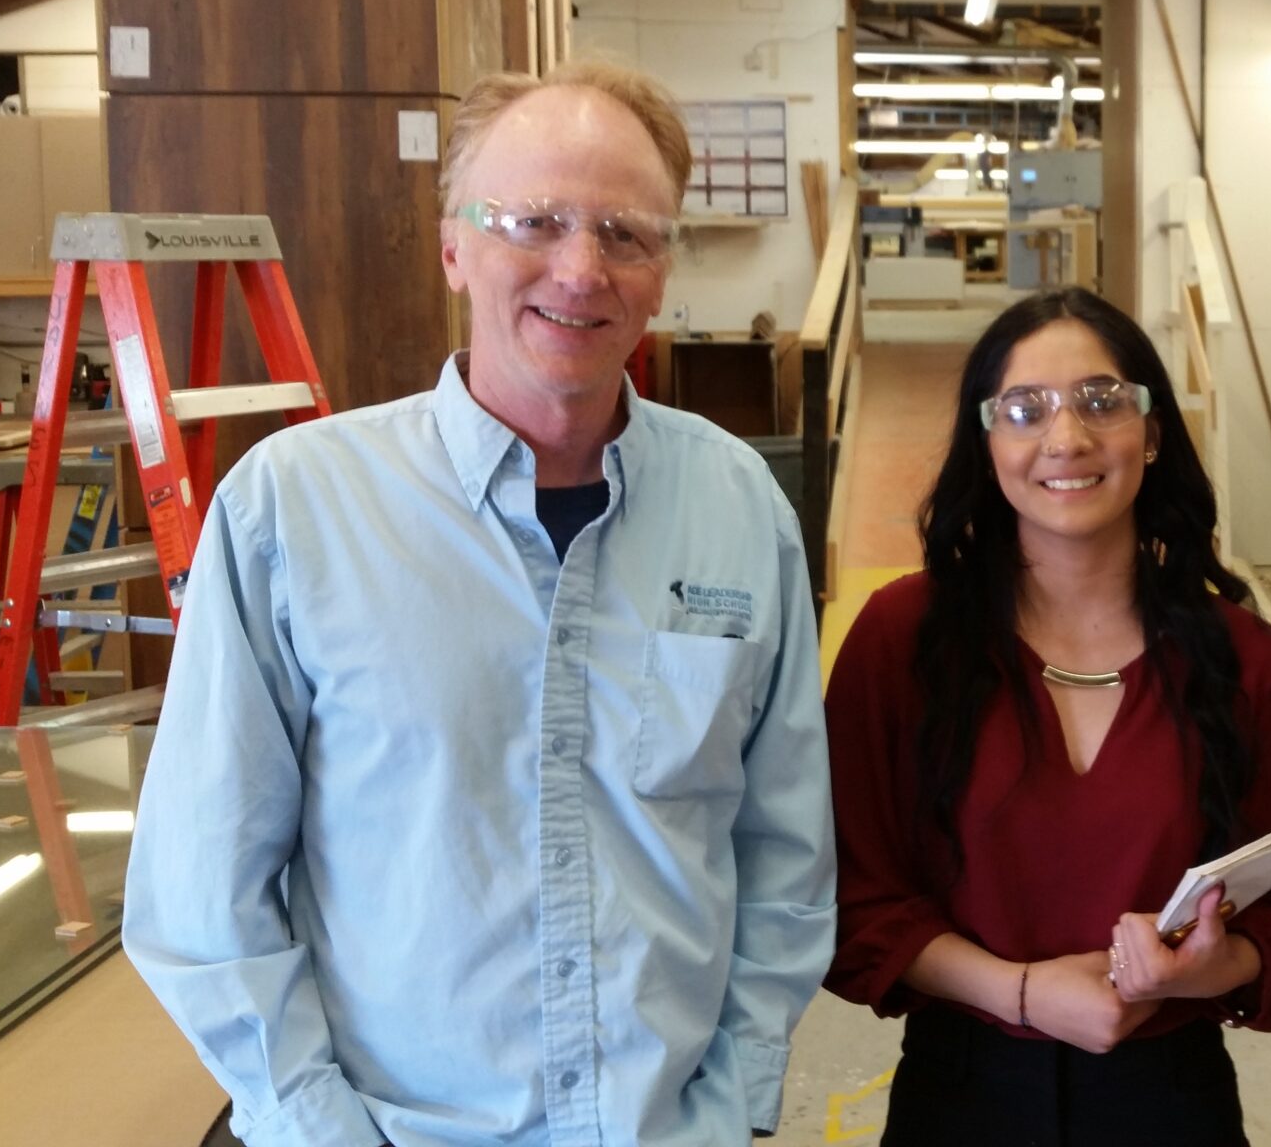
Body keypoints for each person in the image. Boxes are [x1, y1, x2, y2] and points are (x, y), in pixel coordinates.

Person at [123, 61, 834, 1147]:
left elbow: (783, 857)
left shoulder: (740, 507)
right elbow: (201, 892)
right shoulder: (294, 511)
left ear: (661, 270)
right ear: (455, 246)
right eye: (533, 221)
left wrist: (732, 1105)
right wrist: (316, 1124)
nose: (580, 268)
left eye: (624, 234)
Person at [824, 287, 1271, 1146]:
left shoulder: (1241, 659)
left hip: (1172, 1098)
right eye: (1024, 409)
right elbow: (849, 898)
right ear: (987, 442)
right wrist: (1018, 991)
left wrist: (1207, 969)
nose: (1067, 437)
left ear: (1153, 433)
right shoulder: (902, 640)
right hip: (963, 1094)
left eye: (1101, 401)